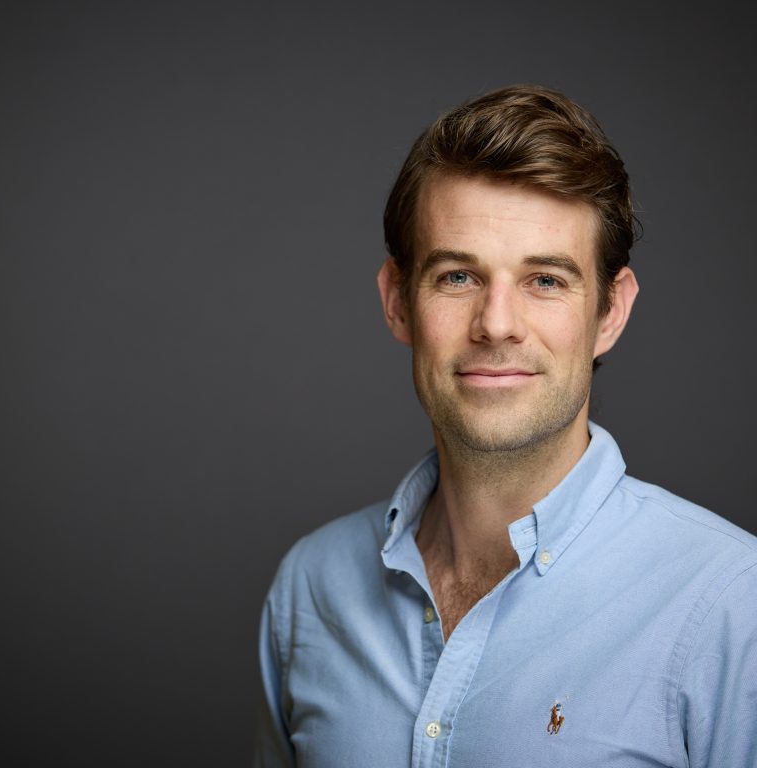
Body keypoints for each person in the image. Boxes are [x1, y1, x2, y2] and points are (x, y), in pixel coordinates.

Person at [253, 85, 757, 767]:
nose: (496, 324)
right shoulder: (312, 590)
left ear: (610, 312)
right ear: (397, 302)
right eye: (458, 276)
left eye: (545, 280)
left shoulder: (732, 609)